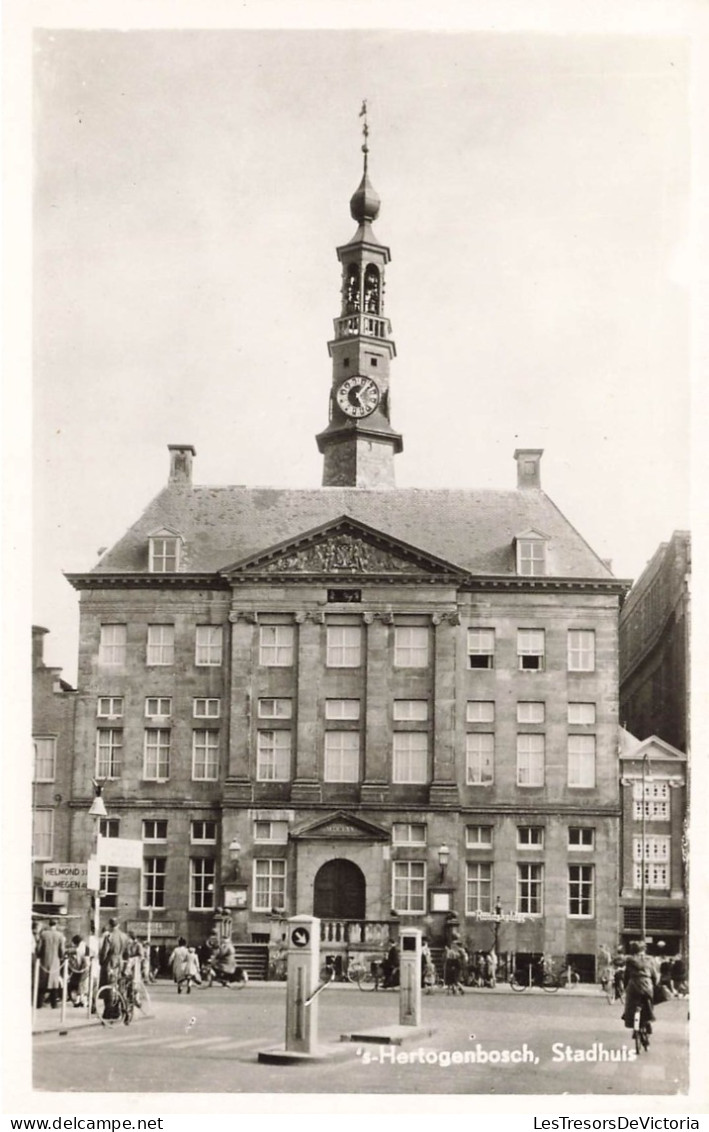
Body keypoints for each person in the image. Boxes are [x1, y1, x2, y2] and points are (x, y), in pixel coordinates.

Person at [622, 940, 658, 1034]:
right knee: (649, 1001)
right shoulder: (650, 960)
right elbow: (654, 975)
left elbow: (626, 975)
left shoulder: (630, 960)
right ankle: (649, 1021)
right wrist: (654, 984)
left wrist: (625, 987)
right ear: (644, 950)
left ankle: (633, 1023)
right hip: (647, 984)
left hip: (633, 985)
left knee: (630, 1004)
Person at [35, 919, 66, 1009]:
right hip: (55, 963)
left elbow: (38, 949)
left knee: (42, 983)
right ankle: (54, 1004)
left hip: (44, 962)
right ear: (56, 924)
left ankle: (39, 1003)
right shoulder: (60, 935)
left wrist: (40, 955)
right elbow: (62, 951)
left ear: (49, 924)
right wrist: (61, 957)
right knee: (54, 983)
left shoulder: (43, 934)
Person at [98, 917, 129, 988]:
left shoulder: (109, 936)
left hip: (111, 960)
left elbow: (105, 951)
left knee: (110, 980)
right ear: (119, 925)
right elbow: (127, 952)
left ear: (110, 925)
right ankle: (118, 996)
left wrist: (101, 962)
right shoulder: (125, 936)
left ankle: (109, 997)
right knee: (119, 979)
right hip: (120, 960)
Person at [67, 934, 90, 1007]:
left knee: (81, 984)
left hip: (84, 968)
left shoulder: (80, 948)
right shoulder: (84, 945)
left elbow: (78, 955)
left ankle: (79, 1001)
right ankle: (82, 1000)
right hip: (86, 967)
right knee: (82, 984)